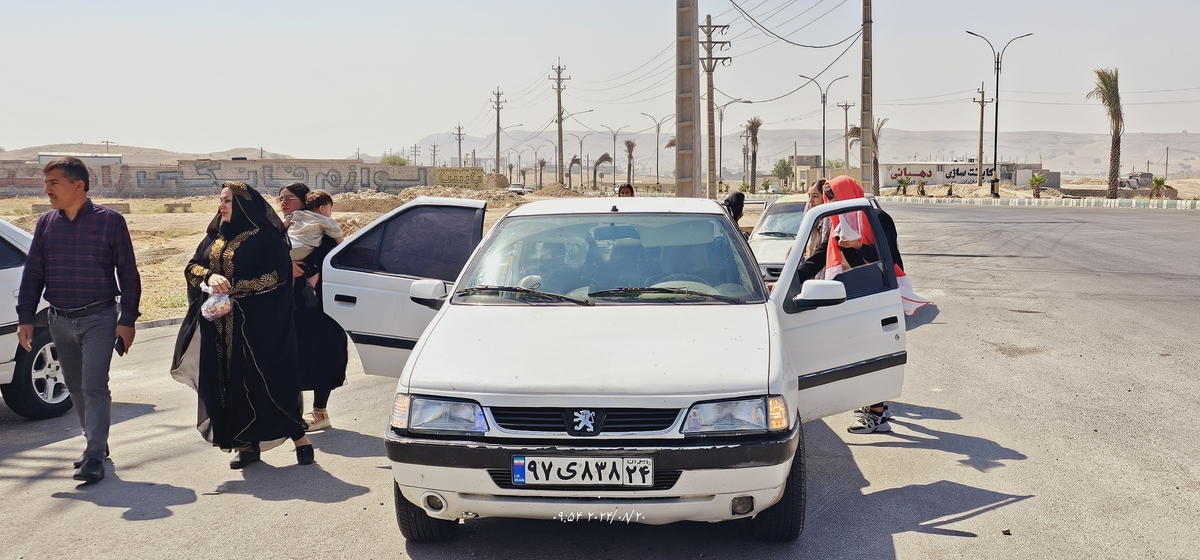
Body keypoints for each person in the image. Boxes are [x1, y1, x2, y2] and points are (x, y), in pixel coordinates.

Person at [171, 181, 313, 468]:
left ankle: (298, 435)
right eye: (220, 201)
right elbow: (192, 267)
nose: (221, 206)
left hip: (259, 327)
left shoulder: (267, 237)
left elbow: (276, 275)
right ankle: (246, 445)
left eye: (227, 201)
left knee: (267, 380)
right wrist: (210, 277)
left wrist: (232, 286)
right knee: (228, 384)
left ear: (244, 205)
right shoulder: (215, 236)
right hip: (220, 328)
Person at [17, 156, 141, 482]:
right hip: (59, 320)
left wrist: (127, 319)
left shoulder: (110, 222)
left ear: (79, 185)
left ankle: (95, 455)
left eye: (53, 183)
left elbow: (128, 273)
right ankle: (96, 441)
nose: (47, 190)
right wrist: (25, 317)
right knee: (74, 387)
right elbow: (33, 273)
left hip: (99, 317)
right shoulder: (46, 223)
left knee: (93, 385)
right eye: (45, 183)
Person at [278, 184, 348, 432]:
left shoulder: (322, 228)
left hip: (318, 304)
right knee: (291, 357)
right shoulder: (284, 227)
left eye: (289, 198)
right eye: (281, 198)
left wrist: (308, 270)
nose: (283, 202)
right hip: (288, 304)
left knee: (323, 354)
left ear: (305, 200)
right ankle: (291, 413)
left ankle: (320, 412)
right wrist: (285, 262)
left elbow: (336, 253)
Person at [284, 189, 344, 305]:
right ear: (322, 209)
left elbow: (281, 228)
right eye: (330, 209)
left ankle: (289, 295)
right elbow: (340, 242)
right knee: (316, 263)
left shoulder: (297, 214)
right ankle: (310, 286)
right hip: (304, 248)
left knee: (291, 274)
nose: (330, 213)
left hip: (288, 248)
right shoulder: (326, 221)